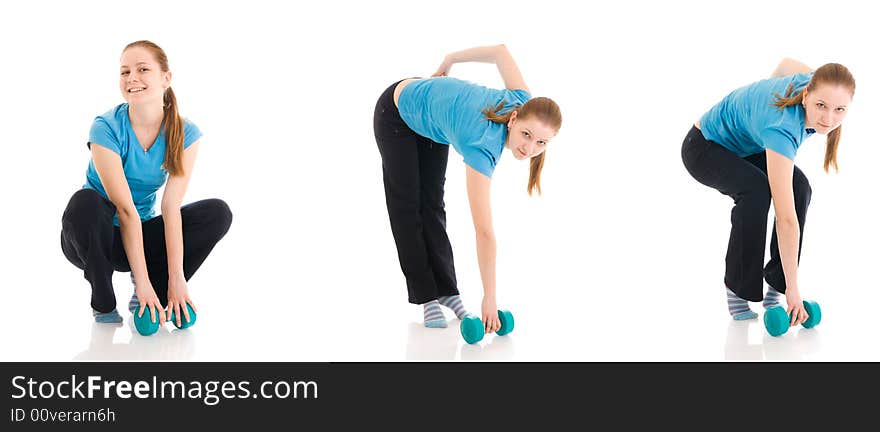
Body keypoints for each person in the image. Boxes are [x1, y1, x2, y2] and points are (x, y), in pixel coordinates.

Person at [373, 44, 562, 333]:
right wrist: (490, 297)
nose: (529, 148)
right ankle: (426, 297)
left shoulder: (523, 101)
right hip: (397, 112)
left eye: (541, 142)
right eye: (526, 134)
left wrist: (452, 59)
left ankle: (447, 290)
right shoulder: (481, 147)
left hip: (432, 116)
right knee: (407, 207)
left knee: (433, 203)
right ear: (514, 118)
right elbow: (484, 231)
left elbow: (500, 52)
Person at [61, 41, 232, 327]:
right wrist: (140, 281)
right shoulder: (105, 127)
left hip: (138, 237)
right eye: (125, 71)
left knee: (218, 212)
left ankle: (156, 293)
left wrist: (177, 279)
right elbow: (124, 209)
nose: (132, 78)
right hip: (94, 240)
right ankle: (103, 303)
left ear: (166, 78)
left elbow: (170, 208)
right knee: (86, 201)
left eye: (143, 69)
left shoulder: (186, 133)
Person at [682, 58, 855, 325]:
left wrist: (757, 108)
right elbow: (787, 221)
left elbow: (786, 64)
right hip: (704, 147)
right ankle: (738, 288)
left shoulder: (815, 81)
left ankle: (776, 284)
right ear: (807, 94)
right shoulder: (781, 128)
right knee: (757, 191)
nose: (829, 118)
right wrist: (795, 293)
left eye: (839, 109)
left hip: (747, 147)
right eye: (821, 106)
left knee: (799, 187)